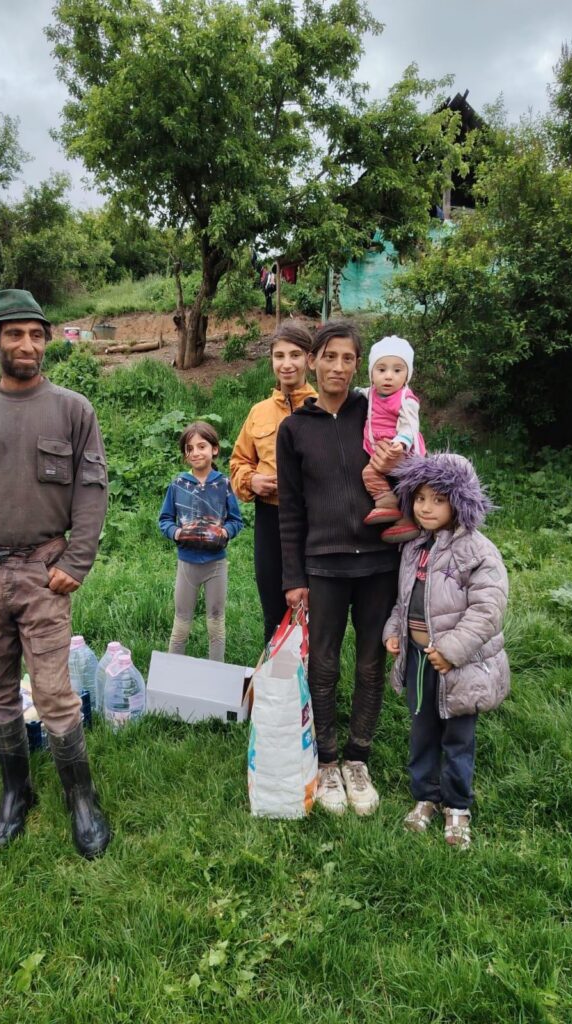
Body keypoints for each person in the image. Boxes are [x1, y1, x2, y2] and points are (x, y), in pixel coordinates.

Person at [0, 289, 111, 860]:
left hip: (44, 569)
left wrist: (75, 562)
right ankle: (16, 791)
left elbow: (91, 492)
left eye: (36, 334)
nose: (27, 344)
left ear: (47, 340)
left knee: (55, 691)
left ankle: (80, 799)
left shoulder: (74, 410)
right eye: (14, 334)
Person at [276, 319, 399, 816]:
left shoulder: (373, 415)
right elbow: (290, 510)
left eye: (349, 359)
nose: (339, 367)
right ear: (312, 360)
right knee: (322, 663)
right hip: (323, 565)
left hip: (378, 561)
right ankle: (326, 761)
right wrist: (293, 578)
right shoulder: (294, 429)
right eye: (330, 357)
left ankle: (357, 758)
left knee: (371, 661)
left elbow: (413, 468)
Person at [383, 453, 509, 849]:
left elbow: (488, 609)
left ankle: (457, 805)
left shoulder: (477, 551)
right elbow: (404, 600)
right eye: (420, 498)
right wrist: (394, 630)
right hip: (420, 661)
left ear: (460, 501)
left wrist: (452, 650)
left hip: (460, 667)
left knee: (457, 738)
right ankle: (425, 796)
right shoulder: (415, 547)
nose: (426, 507)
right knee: (421, 731)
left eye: (438, 500)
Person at [230, 321, 317, 644]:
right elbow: (238, 462)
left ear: (310, 360)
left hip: (314, 521)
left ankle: (315, 687)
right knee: (274, 608)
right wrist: (252, 481)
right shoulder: (259, 412)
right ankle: (276, 686)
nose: (287, 363)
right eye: (279, 355)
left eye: (295, 354)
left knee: (315, 609)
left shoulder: (323, 408)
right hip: (271, 521)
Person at [159, 421, 243, 662]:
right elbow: (165, 519)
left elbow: (236, 520)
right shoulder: (178, 484)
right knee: (182, 621)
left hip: (216, 564)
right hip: (187, 564)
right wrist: (176, 533)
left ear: (214, 449)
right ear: (185, 455)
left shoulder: (223, 484)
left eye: (201, 446)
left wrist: (225, 532)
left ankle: (216, 673)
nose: (195, 452)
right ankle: (173, 674)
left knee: (216, 621)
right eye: (189, 448)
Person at [360, 335, 425, 543]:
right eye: (381, 370)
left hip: (401, 450)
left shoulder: (406, 399)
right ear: (371, 373)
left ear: (407, 375)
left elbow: (410, 424)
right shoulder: (370, 394)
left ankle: (408, 520)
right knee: (369, 473)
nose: (388, 376)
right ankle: (386, 503)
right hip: (378, 450)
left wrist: (401, 442)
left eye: (397, 370)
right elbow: (358, 394)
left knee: (406, 483)